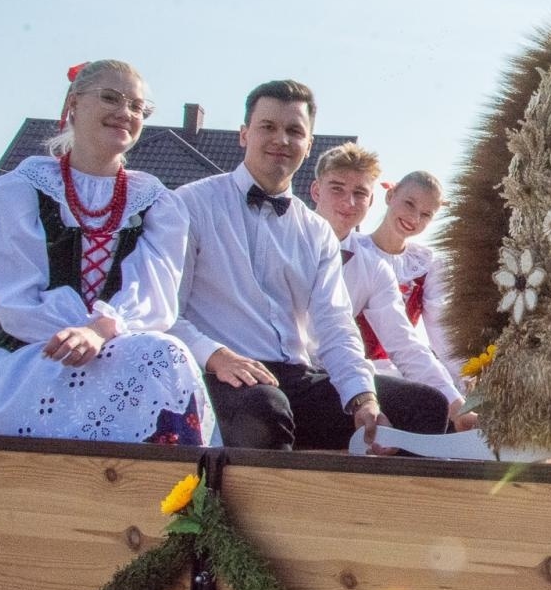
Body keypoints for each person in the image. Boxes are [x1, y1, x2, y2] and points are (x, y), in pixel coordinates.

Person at [169, 80, 451, 451]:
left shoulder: (316, 231)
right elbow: (166, 312)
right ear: (243, 134)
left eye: (294, 131)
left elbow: (335, 324)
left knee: (424, 407)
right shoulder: (190, 204)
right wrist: (215, 355)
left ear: (308, 144)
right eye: (268, 127)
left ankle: (372, 509)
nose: (281, 140)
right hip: (222, 374)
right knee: (266, 410)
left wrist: (363, 398)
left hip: (296, 377)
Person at [0, 60, 216, 445]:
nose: (125, 113)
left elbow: (157, 301)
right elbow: (17, 300)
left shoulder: (156, 202)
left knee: (164, 351)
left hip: (119, 346)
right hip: (33, 355)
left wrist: (100, 330)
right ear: (73, 104)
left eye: (137, 107)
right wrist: (78, 334)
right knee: (156, 355)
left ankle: (174, 493)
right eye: (110, 98)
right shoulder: (21, 190)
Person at [308, 145, 471, 415]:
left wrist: (456, 400)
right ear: (390, 196)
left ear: (370, 200)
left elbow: (409, 341)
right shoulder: (283, 238)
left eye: (359, 193)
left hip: (357, 373)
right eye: (337, 189)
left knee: (430, 406)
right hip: (287, 368)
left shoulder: (375, 267)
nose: (349, 202)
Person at [364, 170, 465, 390]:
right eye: (409, 204)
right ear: (390, 196)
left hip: (402, 369)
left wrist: (467, 373)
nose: (415, 218)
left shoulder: (424, 265)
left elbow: (441, 327)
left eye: (426, 214)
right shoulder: (351, 249)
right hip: (352, 367)